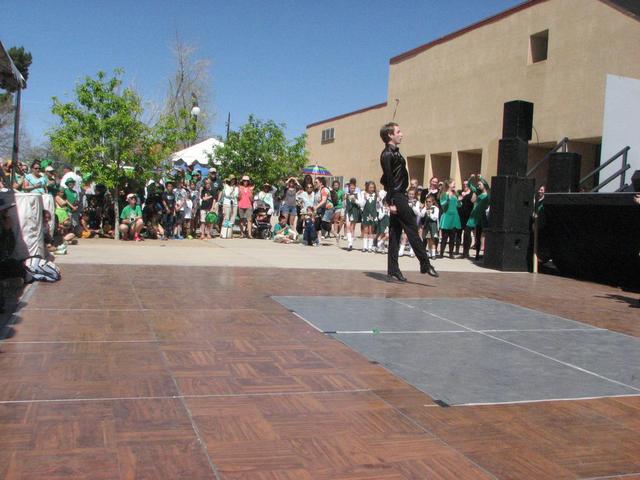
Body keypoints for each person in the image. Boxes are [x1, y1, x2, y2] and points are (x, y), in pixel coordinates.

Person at [379, 122, 438, 280]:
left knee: (395, 233)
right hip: (397, 197)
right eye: (398, 131)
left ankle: (393, 269)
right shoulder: (387, 154)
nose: (401, 134)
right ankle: (425, 264)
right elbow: (389, 179)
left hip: (399, 195)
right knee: (412, 229)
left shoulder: (395, 153)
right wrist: (390, 202)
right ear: (390, 135)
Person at [466, 174, 490, 260]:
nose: (478, 185)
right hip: (474, 214)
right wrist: (471, 178)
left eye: (480, 184)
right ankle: (467, 252)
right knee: (469, 232)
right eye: (478, 184)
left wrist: (481, 177)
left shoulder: (488, 194)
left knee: (480, 234)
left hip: (481, 215)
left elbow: (487, 185)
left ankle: (478, 254)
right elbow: (469, 185)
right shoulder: (477, 192)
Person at [439, 179, 462, 258]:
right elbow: (442, 204)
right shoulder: (444, 194)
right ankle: (441, 253)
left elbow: (459, 205)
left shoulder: (455, 194)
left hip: (454, 216)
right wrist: (448, 199)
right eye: (453, 184)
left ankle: (451, 253)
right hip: (447, 216)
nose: (454, 185)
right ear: (448, 184)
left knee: (452, 237)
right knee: (445, 237)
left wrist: (459, 201)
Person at [358, 181, 378, 253]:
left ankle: (370, 247)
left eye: (373, 187)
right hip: (366, 214)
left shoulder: (376, 195)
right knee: (365, 230)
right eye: (370, 187)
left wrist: (379, 202)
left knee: (371, 231)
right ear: (367, 188)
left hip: (373, 214)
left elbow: (377, 207)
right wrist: (365, 198)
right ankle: (364, 246)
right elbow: (362, 205)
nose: (371, 189)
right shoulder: (363, 194)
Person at [458, 180, 474, 258]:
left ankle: (466, 252)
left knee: (467, 233)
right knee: (460, 233)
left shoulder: (472, 193)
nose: (465, 186)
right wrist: (460, 199)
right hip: (461, 215)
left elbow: (473, 202)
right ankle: (461, 252)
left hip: (469, 216)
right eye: (463, 184)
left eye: (466, 184)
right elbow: (458, 204)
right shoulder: (460, 192)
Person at [344, 182, 361, 251]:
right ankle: (349, 243)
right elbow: (344, 205)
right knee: (348, 226)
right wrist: (344, 199)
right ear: (349, 188)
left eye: (354, 188)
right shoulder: (346, 194)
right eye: (351, 188)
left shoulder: (357, 194)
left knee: (352, 227)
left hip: (354, 212)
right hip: (348, 212)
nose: (352, 189)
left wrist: (355, 200)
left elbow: (360, 203)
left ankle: (351, 242)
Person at [330, 180, 345, 245]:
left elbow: (343, 199)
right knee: (333, 220)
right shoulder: (331, 191)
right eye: (334, 185)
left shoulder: (341, 192)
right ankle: (334, 232)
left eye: (337, 185)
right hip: (332, 206)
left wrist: (343, 207)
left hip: (339, 206)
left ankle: (336, 232)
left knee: (338, 220)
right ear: (333, 186)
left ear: (339, 185)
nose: (336, 186)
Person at [375, 187, 390, 253]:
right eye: (385, 203)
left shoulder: (389, 209)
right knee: (381, 235)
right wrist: (384, 212)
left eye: (387, 203)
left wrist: (388, 212)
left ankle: (380, 243)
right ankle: (381, 247)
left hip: (387, 223)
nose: (386, 204)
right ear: (383, 202)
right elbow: (380, 217)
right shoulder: (381, 209)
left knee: (387, 235)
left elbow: (390, 217)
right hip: (382, 224)